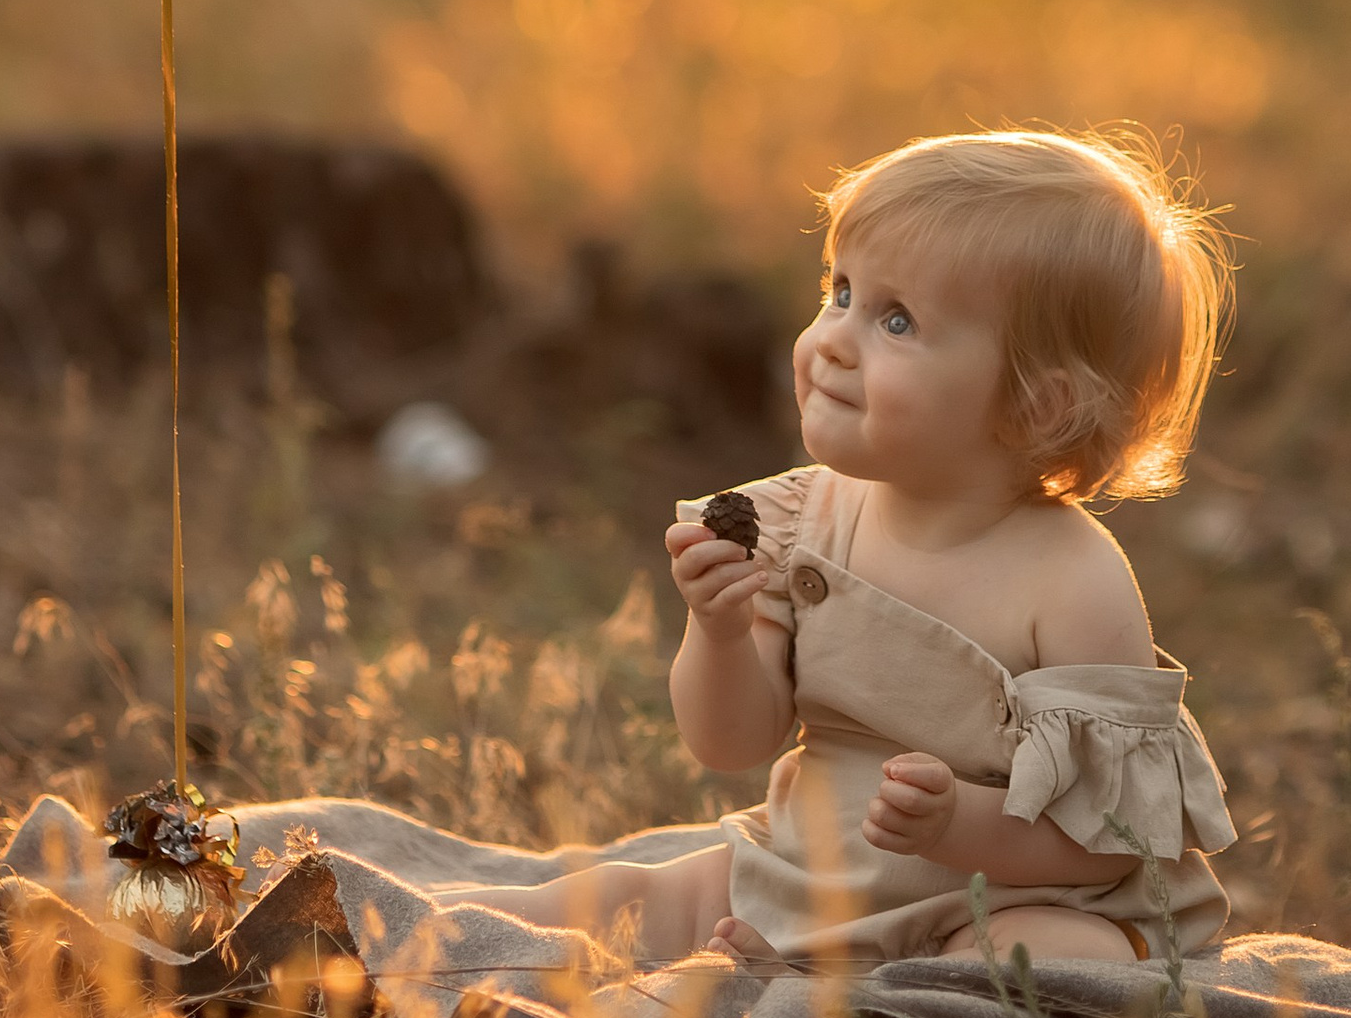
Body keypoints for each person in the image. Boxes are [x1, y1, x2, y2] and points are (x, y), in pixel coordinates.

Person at [497, 126, 1237, 974]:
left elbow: (1117, 839)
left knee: (1043, 961)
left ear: (1039, 406)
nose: (835, 340)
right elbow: (732, 743)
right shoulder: (796, 520)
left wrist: (959, 827)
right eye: (839, 291)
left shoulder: (1074, 581)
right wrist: (720, 631)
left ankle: (854, 1003)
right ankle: (385, 935)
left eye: (896, 320)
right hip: (817, 873)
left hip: (1014, 892)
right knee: (618, 901)